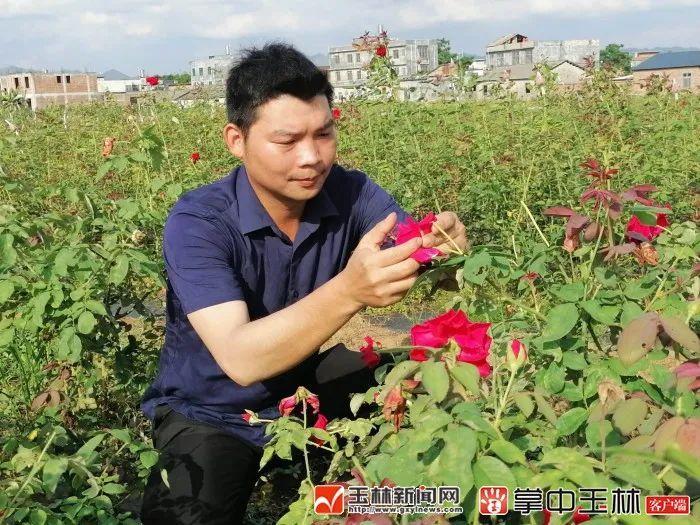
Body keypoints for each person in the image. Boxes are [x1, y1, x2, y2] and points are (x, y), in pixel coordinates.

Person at [139, 42, 468, 524]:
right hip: (211, 409)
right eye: (287, 141)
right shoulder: (199, 221)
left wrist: (439, 244)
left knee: (413, 413)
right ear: (237, 140)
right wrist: (351, 291)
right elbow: (241, 359)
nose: (312, 157)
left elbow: (409, 241)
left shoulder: (351, 192)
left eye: (324, 134)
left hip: (303, 390)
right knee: (186, 514)